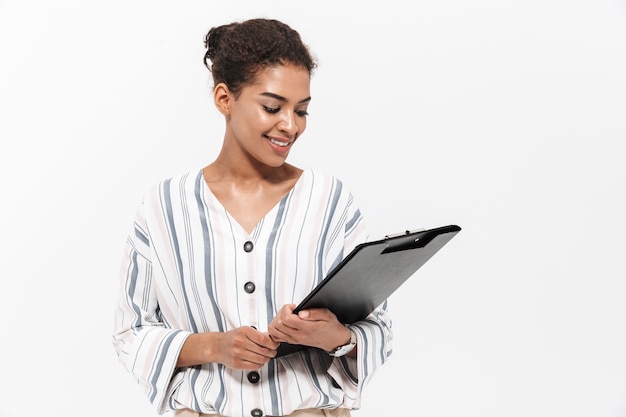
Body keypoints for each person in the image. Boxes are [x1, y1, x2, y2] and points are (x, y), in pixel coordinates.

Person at [112, 18, 392, 417]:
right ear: (225, 99)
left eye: (302, 111)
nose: (290, 126)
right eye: (272, 107)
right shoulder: (164, 206)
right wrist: (216, 346)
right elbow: (131, 333)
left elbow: (378, 329)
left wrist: (334, 336)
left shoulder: (330, 201)